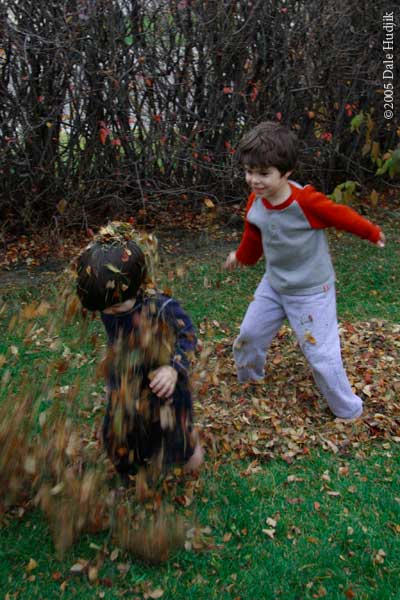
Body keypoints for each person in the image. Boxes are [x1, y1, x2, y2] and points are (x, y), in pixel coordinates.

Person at [224, 121, 385, 420]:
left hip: (312, 291)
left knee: (321, 355)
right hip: (274, 285)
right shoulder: (256, 200)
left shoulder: (305, 202)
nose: (254, 180)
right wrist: (241, 258)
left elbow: (341, 216)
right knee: (248, 335)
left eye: (263, 174)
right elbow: (254, 235)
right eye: (249, 172)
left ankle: (349, 411)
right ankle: (249, 382)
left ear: (285, 173)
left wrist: (371, 232)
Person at [76, 222, 203, 478]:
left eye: (114, 308)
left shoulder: (159, 306)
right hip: (126, 383)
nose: (108, 313)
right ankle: (130, 466)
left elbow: (188, 335)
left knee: (178, 444)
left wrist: (173, 367)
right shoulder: (110, 300)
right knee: (117, 439)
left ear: (137, 286)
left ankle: (192, 448)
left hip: (165, 386)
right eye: (103, 309)